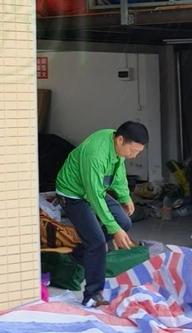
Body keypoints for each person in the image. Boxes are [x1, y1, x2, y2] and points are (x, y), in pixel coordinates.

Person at [54, 121, 149, 308]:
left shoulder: (115, 145)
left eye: (138, 152)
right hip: (73, 195)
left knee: (124, 223)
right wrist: (113, 229)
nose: (134, 155)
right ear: (120, 140)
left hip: (95, 190)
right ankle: (92, 295)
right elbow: (94, 196)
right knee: (98, 241)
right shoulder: (95, 154)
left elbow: (118, 171)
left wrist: (125, 196)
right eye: (133, 151)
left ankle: (81, 254)